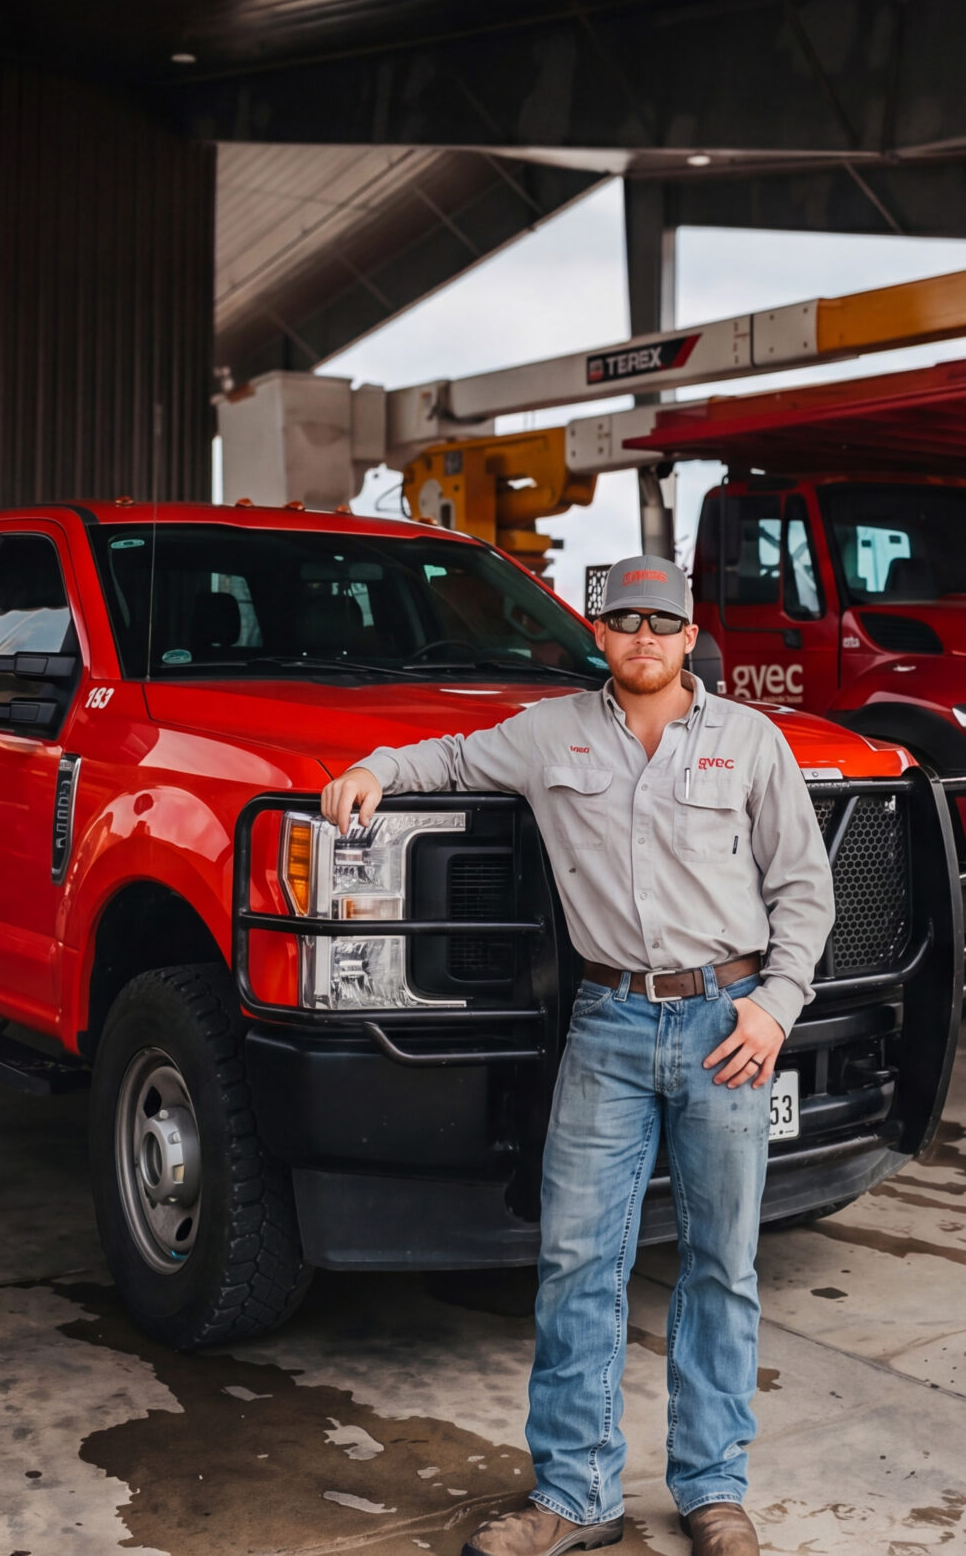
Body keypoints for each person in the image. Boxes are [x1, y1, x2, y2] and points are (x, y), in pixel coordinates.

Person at [322, 555, 833, 1556]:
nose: (643, 638)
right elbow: (453, 758)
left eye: (663, 623)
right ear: (599, 635)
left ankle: (713, 1492)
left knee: (720, 1268)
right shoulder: (546, 733)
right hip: (606, 1026)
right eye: (624, 621)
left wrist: (776, 1008)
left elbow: (805, 891)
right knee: (575, 1266)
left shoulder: (748, 740)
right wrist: (374, 769)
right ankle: (576, 1494)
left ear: (691, 639)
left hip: (728, 1027)